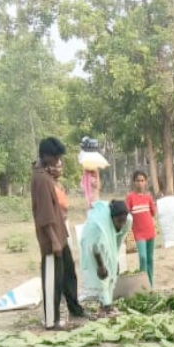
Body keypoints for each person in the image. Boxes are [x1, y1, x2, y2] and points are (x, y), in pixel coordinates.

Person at [31, 137, 85, 331]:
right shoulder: (41, 180)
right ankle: (51, 321)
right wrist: (54, 241)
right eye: (55, 157)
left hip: (61, 234)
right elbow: (45, 215)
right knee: (52, 279)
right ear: (46, 156)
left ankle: (75, 309)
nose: (57, 161)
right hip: (52, 237)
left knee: (68, 272)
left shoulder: (45, 175)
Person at [80, 200, 132, 318]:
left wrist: (115, 259)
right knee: (102, 276)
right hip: (91, 244)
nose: (121, 225)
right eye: (119, 222)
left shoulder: (127, 220)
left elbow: (118, 241)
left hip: (104, 243)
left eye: (123, 221)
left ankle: (106, 305)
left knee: (111, 273)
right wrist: (100, 265)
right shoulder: (99, 226)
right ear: (111, 218)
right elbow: (94, 247)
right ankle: (106, 307)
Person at [125, 170, 157, 287]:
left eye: (142, 180)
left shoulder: (148, 197)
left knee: (150, 259)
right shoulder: (130, 198)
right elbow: (127, 214)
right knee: (143, 258)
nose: (140, 183)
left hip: (150, 232)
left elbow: (153, 213)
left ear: (146, 182)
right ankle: (142, 285)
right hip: (139, 234)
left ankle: (150, 285)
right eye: (138, 180)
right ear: (134, 182)